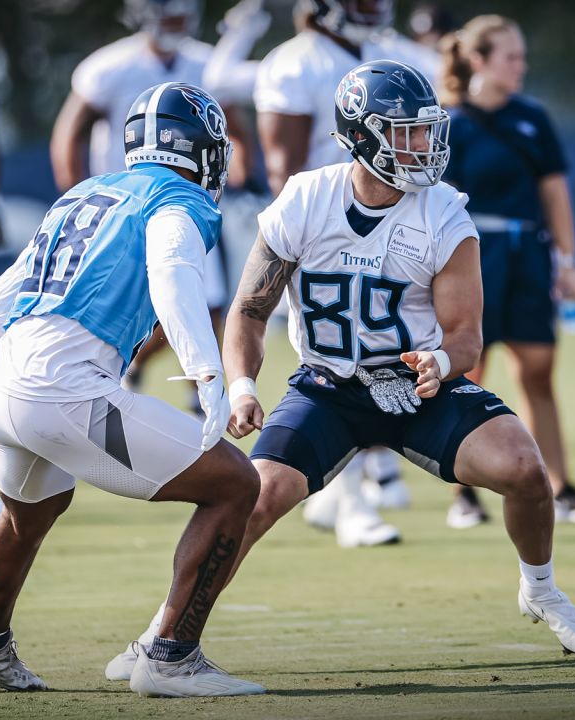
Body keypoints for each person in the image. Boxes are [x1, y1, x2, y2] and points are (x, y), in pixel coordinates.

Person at [108, 62, 575, 681]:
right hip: (328, 387)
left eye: (426, 131)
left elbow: (466, 334)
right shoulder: (306, 198)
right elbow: (249, 310)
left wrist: (442, 362)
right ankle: (164, 633)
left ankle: (540, 588)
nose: (424, 145)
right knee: (252, 499)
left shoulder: (445, 212)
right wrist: (241, 387)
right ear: (364, 135)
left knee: (526, 471)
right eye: (406, 132)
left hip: (415, 383)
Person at [0, 82, 264, 698]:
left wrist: (20, 369)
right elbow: (172, 272)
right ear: (195, 148)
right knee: (235, 483)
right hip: (63, 386)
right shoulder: (178, 199)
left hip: (8, 371)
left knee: (31, 512)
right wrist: (205, 371)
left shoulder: (85, 192)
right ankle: (170, 656)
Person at [438, 15, 575, 528]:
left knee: (539, 371)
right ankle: (464, 494)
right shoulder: (448, 122)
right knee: (468, 376)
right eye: (511, 56)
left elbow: (554, 191)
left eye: (522, 56)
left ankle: (560, 485)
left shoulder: (532, 117)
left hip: (529, 255)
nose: (521, 66)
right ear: (478, 60)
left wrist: (569, 260)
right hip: (472, 256)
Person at [253, 0, 412, 546]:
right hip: (322, 228)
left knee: (381, 350)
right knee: (332, 361)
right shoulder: (295, 62)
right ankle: (348, 499)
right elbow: (284, 166)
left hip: (387, 220)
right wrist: (316, 237)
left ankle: (344, 486)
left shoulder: (382, 54)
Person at [50, 0, 242, 418]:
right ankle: (130, 372)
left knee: (204, 300)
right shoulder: (110, 66)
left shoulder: (208, 62)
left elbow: (230, 127)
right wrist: (79, 194)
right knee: (153, 303)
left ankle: (197, 395)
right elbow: (69, 135)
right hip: (125, 211)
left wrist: (240, 166)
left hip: (187, 202)